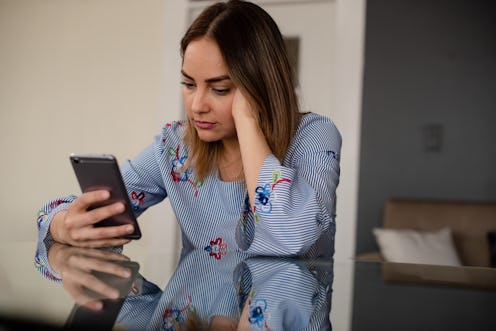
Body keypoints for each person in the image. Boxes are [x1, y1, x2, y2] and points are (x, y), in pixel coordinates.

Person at [36, 0, 341, 264]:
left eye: (219, 89)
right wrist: (61, 225)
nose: (196, 106)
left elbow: (290, 236)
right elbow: (73, 211)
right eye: (189, 84)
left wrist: (247, 119)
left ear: (257, 86)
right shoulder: (176, 147)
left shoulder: (313, 135)